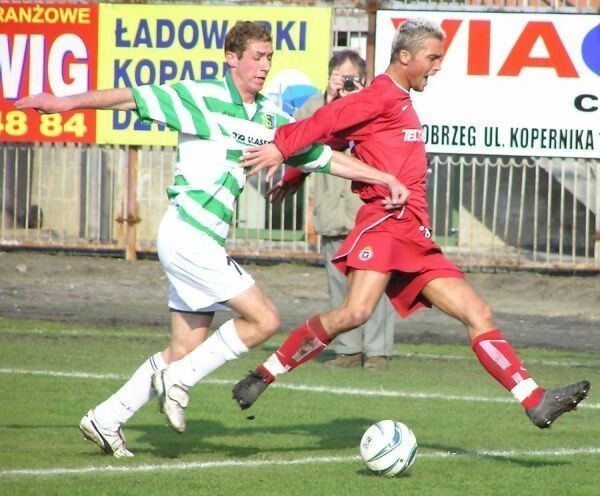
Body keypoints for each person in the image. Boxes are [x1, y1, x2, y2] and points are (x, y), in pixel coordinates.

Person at [15, 21, 407, 457]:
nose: (264, 66)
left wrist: (382, 176)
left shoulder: (270, 120)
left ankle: (107, 418)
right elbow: (130, 97)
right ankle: (179, 381)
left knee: (184, 347)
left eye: (269, 57)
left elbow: (325, 158)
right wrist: (65, 103)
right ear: (231, 58)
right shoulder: (199, 97)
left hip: (203, 240)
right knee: (264, 320)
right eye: (256, 57)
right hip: (188, 234)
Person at [231, 18, 590, 429]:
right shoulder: (380, 96)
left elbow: (334, 140)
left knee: (479, 312)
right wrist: (281, 150)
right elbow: (325, 123)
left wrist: (295, 174)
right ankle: (265, 374)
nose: (437, 66)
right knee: (354, 313)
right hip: (384, 224)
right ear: (405, 57)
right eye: (431, 58)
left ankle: (535, 400)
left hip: (416, 235)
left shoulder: (399, 100)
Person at [273, 50, 396, 370]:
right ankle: (347, 351)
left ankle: (378, 352)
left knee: (374, 286)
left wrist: (355, 98)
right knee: (339, 287)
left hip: (367, 211)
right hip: (331, 211)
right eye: (340, 77)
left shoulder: (374, 106)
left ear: (364, 79)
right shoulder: (315, 106)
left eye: (352, 78)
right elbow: (301, 136)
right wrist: (330, 99)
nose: (345, 83)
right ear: (329, 77)